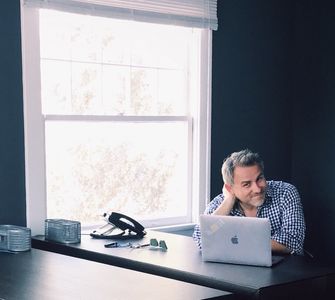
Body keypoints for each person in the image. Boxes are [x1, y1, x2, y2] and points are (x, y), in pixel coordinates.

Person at [193, 149, 306, 255]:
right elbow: (203, 239)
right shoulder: (221, 203)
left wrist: (236, 244)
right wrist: (228, 202)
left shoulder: (285, 192)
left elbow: (293, 241)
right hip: (236, 272)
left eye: (259, 179)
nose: (257, 189)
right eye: (247, 184)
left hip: (284, 270)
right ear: (230, 189)